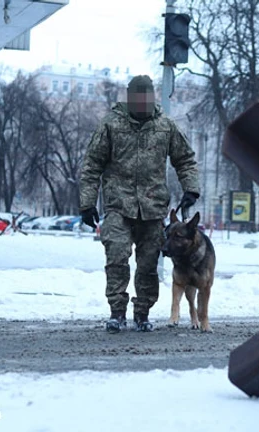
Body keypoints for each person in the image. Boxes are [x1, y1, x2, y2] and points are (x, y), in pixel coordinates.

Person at [79, 75, 200, 333]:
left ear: (153, 98)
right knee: (117, 257)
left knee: (148, 263)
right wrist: (87, 203)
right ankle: (117, 312)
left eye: (147, 97)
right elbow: (92, 165)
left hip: (153, 207)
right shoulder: (111, 125)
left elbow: (185, 159)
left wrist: (191, 188)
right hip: (117, 205)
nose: (143, 102)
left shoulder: (165, 126)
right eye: (138, 98)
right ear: (129, 97)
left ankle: (142, 313)